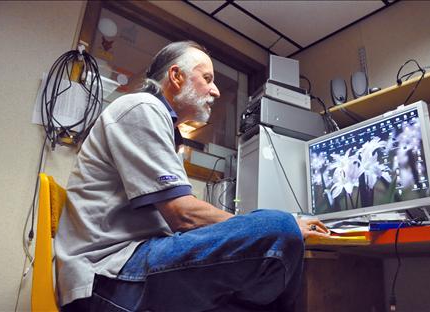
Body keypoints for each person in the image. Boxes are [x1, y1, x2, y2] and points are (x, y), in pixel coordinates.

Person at [55, 41, 330, 312]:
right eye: (208, 78)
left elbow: (180, 219)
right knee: (279, 226)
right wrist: (270, 227)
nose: (217, 91)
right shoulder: (142, 107)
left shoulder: (164, 129)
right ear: (176, 76)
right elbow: (183, 215)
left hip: (128, 268)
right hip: (106, 278)